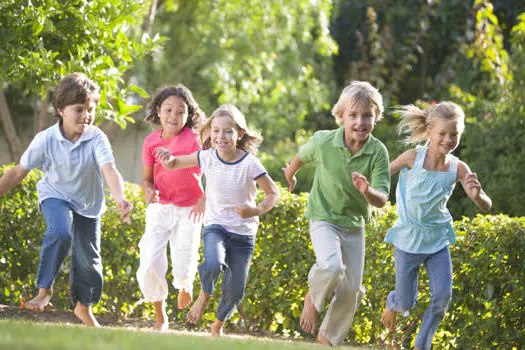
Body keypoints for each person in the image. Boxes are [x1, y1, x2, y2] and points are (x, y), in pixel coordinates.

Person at [0, 73, 132, 327]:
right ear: (61, 109)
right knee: (60, 232)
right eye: (79, 109)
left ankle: (83, 306)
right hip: (55, 195)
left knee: (89, 261)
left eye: (90, 109)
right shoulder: (46, 140)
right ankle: (44, 290)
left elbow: (109, 169)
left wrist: (120, 197)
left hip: (88, 204)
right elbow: (18, 172)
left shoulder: (96, 137)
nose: (86, 116)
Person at [156, 104, 280, 336]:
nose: (220, 137)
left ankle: (217, 326)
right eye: (216, 131)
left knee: (235, 290)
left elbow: (273, 193)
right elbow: (174, 163)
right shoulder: (208, 157)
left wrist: (254, 211)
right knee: (213, 262)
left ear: (239, 134)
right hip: (216, 226)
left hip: (243, 234)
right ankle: (205, 294)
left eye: (227, 131)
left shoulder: (250, 163)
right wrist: (167, 158)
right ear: (209, 132)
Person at [282, 81, 391, 347]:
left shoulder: (378, 152)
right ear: (341, 117)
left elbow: (382, 199)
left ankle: (327, 339)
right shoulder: (323, 141)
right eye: (353, 115)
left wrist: (367, 191)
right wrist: (290, 175)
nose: (360, 121)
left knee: (352, 290)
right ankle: (313, 299)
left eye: (367, 115)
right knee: (331, 266)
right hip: (323, 218)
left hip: (354, 225)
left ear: (376, 117)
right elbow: (300, 157)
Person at [380, 102, 492, 350]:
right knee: (406, 302)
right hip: (409, 239)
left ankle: (422, 345)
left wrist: (477, 196)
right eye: (443, 133)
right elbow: (383, 173)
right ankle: (393, 302)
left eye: (455, 134)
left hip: (437, 241)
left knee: (442, 297)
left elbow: (486, 204)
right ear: (429, 131)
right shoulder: (412, 158)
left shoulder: (458, 168)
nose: (449, 139)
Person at [137, 85, 206, 331]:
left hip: (190, 208)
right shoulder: (150, 142)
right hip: (161, 206)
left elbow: (215, 168)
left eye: (180, 112)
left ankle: (185, 286)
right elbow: (146, 179)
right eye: (168, 110)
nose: (173, 116)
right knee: (149, 260)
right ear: (158, 111)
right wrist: (147, 190)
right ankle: (160, 315)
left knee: (185, 255)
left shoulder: (196, 139)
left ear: (189, 115)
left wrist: (204, 198)